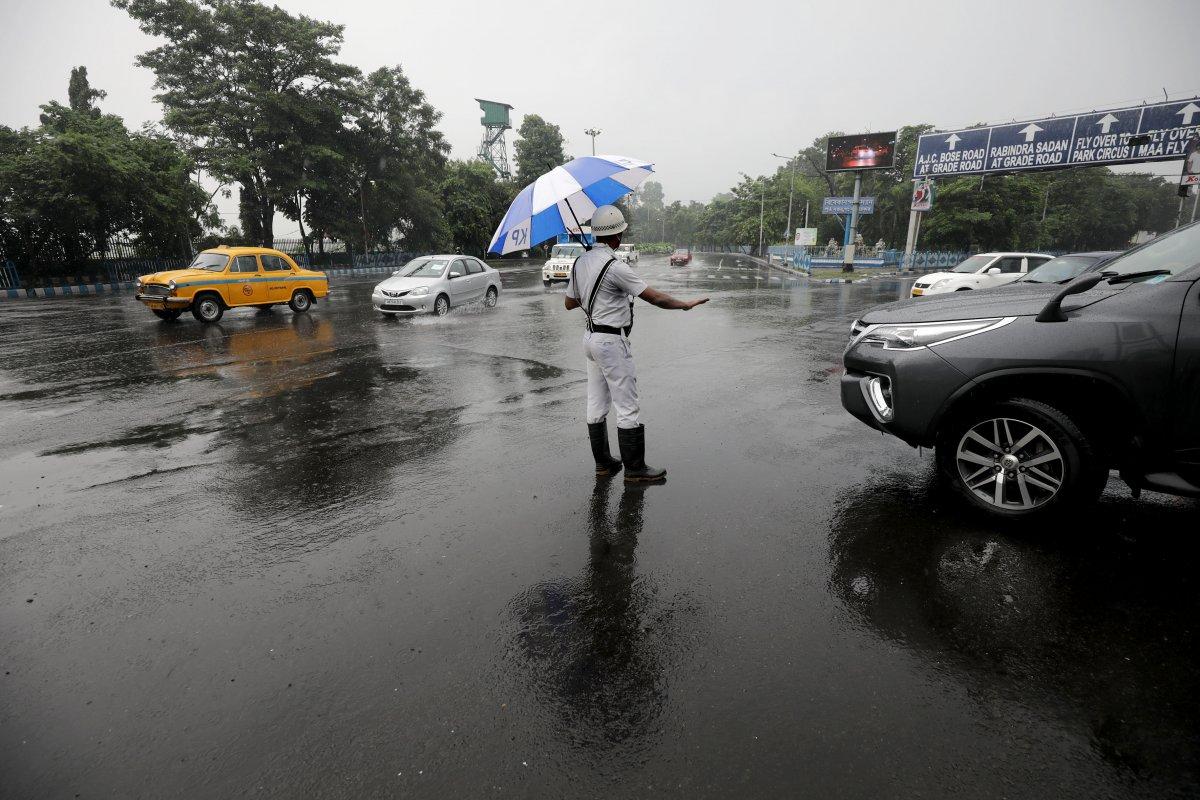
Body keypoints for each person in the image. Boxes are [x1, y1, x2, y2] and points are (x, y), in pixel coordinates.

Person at [565, 204, 709, 482]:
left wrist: (588, 287)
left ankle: (604, 463)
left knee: (596, 403)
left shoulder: (581, 263)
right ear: (617, 237)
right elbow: (654, 297)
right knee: (627, 404)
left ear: (596, 234)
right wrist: (685, 305)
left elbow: (570, 303)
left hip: (590, 339)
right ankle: (634, 469)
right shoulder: (615, 266)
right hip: (610, 342)